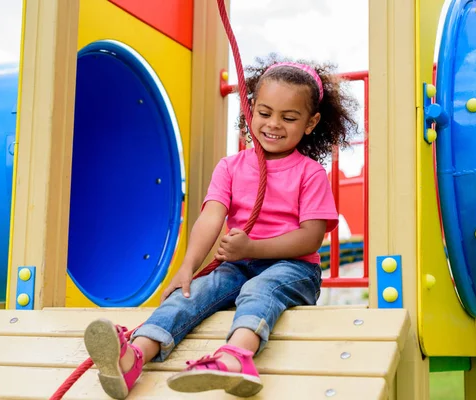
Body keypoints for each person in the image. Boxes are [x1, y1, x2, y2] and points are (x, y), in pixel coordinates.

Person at [83, 54, 358, 399]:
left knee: (259, 290)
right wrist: (187, 268)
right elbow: (211, 217)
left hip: (294, 269)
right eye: (264, 113)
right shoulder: (230, 167)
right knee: (194, 294)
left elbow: (310, 238)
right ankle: (135, 356)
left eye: (289, 117)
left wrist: (253, 249)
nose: (274, 124)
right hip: (239, 264)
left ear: (310, 122)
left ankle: (236, 357)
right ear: (250, 110)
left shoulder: (309, 174)